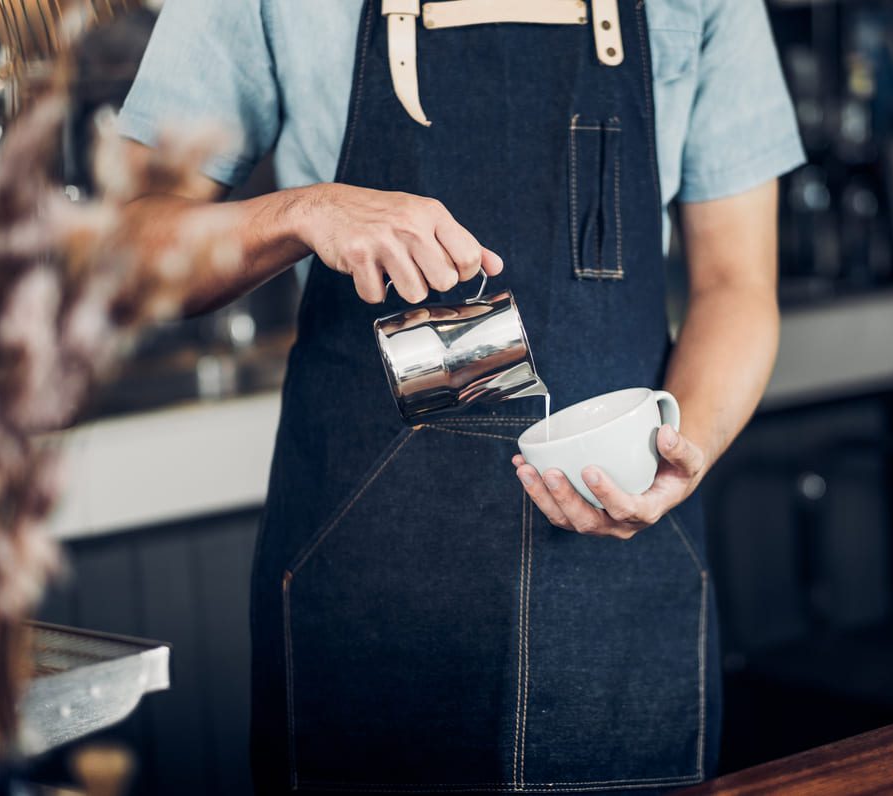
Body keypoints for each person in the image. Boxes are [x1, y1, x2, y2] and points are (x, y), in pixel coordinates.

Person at [117, 0, 803, 792]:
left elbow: (737, 285)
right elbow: (126, 247)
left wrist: (692, 445)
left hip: (619, 580)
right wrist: (302, 210)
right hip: (368, 594)